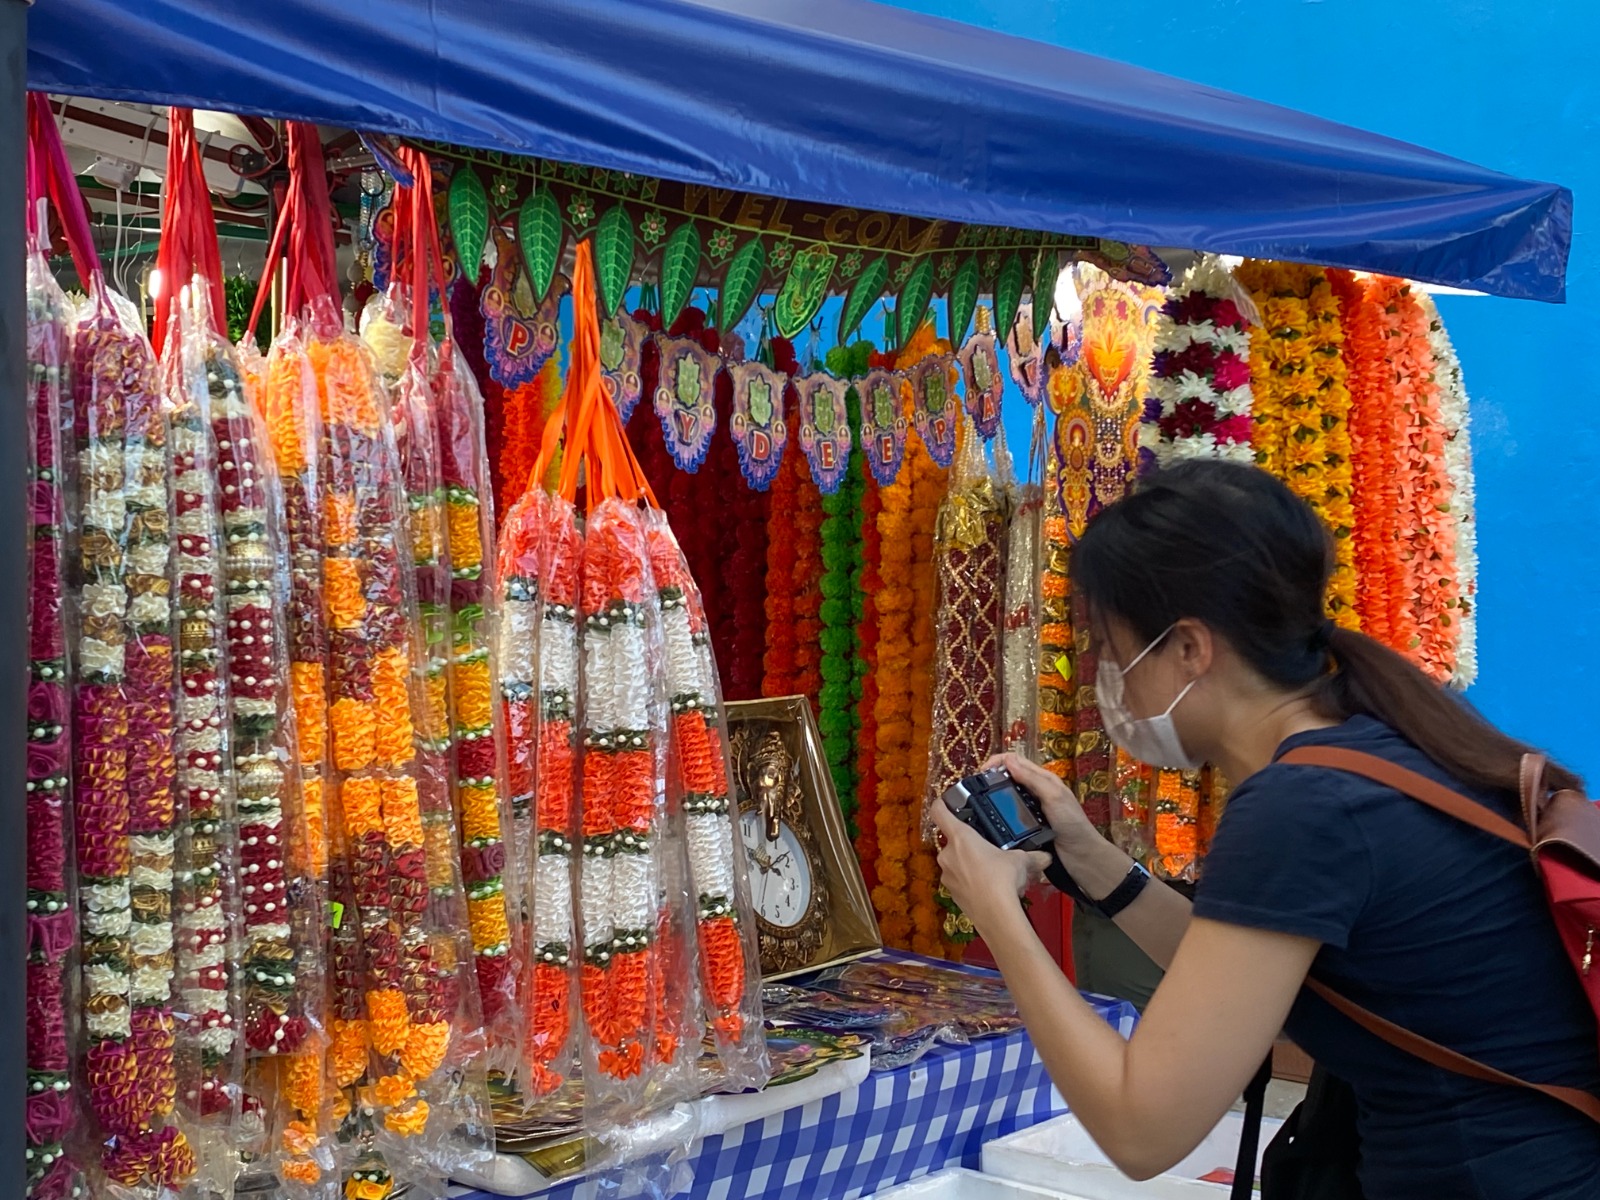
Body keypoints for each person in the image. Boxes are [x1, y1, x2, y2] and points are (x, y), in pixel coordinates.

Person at [931, 460, 1600, 1199]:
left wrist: (996, 912)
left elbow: (1141, 1130)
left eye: (1112, 649)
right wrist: (1091, 861)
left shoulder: (1303, 805)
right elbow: (1238, 974)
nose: (1109, 677)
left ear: (1190, 648)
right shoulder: (1376, 739)